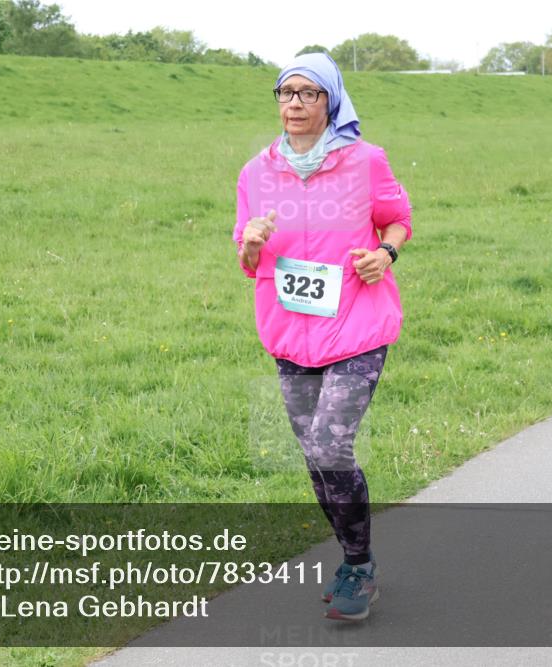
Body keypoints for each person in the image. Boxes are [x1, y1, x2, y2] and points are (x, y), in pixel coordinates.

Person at [232, 52, 412, 622]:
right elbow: (245, 255)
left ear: (331, 101)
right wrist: (252, 244)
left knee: (331, 446)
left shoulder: (366, 162)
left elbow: (398, 219)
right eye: (286, 93)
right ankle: (351, 557)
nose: (294, 104)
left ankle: (358, 565)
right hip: (291, 331)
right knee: (315, 457)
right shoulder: (256, 172)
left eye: (308, 93)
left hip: (358, 325)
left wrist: (384, 254)